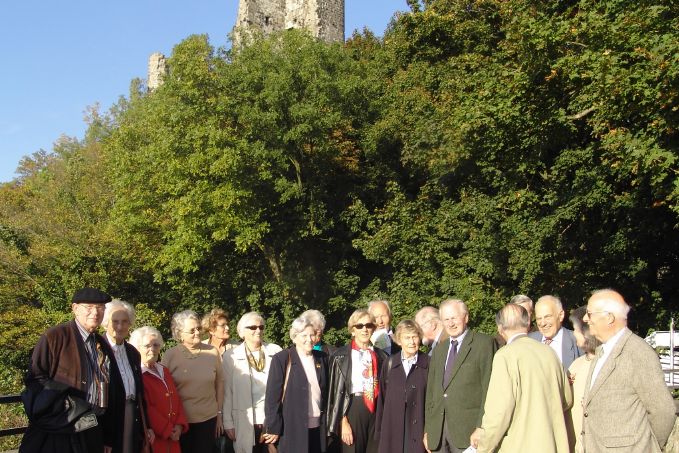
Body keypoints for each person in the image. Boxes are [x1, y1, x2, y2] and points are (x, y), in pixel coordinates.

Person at [20, 287, 116, 453]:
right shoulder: (55, 337)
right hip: (60, 429)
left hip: (92, 428)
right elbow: (35, 379)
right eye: (89, 307)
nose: (95, 312)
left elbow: (110, 388)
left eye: (100, 307)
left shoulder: (102, 345)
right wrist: (69, 404)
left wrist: (107, 436)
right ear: (75, 308)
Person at [581, 289, 675, 452]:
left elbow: (663, 410)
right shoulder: (601, 352)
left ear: (609, 317)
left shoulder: (638, 352)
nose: (584, 319)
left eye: (589, 314)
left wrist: (647, 446)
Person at [475, 304, 572, 453]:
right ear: (528, 324)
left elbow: (498, 413)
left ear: (500, 328)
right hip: (552, 444)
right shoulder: (549, 352)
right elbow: (567, 399)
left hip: (520, 445)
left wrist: (483, 447)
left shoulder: (505, 356)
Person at [423, 299, 496, 453]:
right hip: (438, 434)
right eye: (446, 319)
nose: (451, 323)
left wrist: (481, 426)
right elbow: (431, 393)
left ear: (466, 317)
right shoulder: (439, 350)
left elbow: (490, 389)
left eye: (454, 318)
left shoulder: (484, 344)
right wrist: (428, 429)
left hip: (469, 432)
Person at [162, 310, 224, 453]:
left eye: (198, 328)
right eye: (192, 330)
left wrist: (219, 415)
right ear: (180, 334)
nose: (197, 332)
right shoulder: (170, 355)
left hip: (208, 420)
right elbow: (165, 390)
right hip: (181, 423)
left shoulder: (213, 352)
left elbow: (220, 384)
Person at [327, 308, 388, 453]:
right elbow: (333, 393)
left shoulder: (382, 356)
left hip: (377, 408)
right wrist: (342, 421)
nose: (364, 329)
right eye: (360, 326)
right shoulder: (340, 356)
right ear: (352, 330)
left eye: (369, 325)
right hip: (353, 407)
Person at [265, 316, 328, 453]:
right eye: (304, 335)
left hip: (319, 427)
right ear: (294, 337)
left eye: (312, 335)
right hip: (291, 427)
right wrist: (273, 427)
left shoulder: (322, 358)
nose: (309, 339)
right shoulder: (282, 359)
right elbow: (272, 398)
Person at [223, 312, 282, 453]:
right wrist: (228, 422)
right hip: (244, 421)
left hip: (270, 420)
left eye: (261, 327)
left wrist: (279, 422)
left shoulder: (276, 351)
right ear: (241, 332)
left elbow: (284, 390)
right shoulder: (231, 356)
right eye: (253, 327)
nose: (258, 330)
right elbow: (227, 392)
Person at [130, 326, 188, 453]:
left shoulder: (164, 370)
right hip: (155, 439)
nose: (152, 349)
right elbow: (146, 407)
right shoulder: (137, 374)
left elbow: (176, 399)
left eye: (156, 345)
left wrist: (179, 425)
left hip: (173, 438)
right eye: (147, 346)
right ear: (136, 348)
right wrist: (167, 429)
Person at [102, 300, 150, 453]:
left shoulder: (133, 353)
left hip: (131, 417)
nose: (120, 326)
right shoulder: (99, 350)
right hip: (109, 420)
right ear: (105, 323)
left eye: (124, 322)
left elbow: (140, 392)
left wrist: (147, 426)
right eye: (115, 322)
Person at [375, 320, 429, 453]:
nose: (412, 342)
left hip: (418, 427)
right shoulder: (389, 363)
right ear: (399, 341)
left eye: (415, 337)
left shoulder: (428, 363)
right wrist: (379, 431)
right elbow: (382, 400)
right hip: (393, 427)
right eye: (407, 338)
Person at [566, 306, 601, 453]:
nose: (574, 333)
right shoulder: (577, 363)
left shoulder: (604, 364)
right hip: (574, 443)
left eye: (576, 329)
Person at [529, 295, 583, 369]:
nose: (543, 323)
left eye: (547, 317)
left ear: (561, 315)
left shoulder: (577, 341)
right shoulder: (529, 340)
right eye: (539, 318)